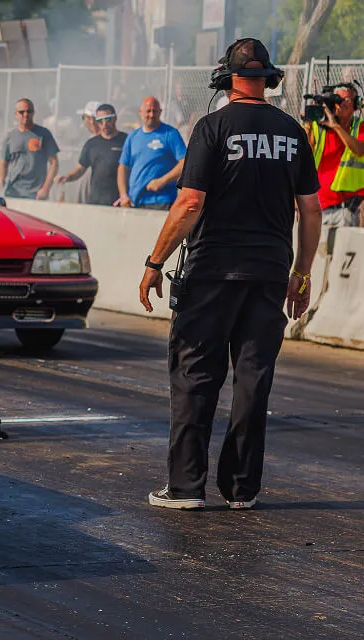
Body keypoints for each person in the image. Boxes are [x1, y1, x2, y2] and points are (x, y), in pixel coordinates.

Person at [138, 38, 322, 511]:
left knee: (196, 377)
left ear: (227, 77)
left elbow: (189, 203)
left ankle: (185, 488)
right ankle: (242, 488)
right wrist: (300, 275)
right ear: (267, 79)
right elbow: (311, 211)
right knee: (253, 379)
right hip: (268, 274)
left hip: (212, 273)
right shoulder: (292, 132)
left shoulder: (212, 127)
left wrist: (155, 262)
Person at [305, 81, 364, 226]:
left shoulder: (360, 126)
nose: (341, 104)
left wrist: (336, 126)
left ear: (356, 105)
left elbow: (359, 150)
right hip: (318, 208)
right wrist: (307, 126)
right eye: (337, 99)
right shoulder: (318, 127)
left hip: (346, 209)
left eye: (346, 100)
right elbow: (301, 154)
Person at [117, 97, 187, 210]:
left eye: (155, 111)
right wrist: (123, 195)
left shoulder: (170, 134)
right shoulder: (132, 136)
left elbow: (185, 162)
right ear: (140, 112)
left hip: (162, 201)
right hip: (134, 201)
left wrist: (162, 181)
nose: (151, 114)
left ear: (160, 112)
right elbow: (123, 167)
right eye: (148, 111)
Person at [55, 104, 127, 206]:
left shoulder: (126, 140)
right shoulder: (91, 144)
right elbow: (80, 168)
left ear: (115, 119)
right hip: (95, 201)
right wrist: (67, 177)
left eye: (108, 119)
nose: (104, 124)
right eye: (100, 121)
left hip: (119, 201)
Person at [0, 98, 59, 200]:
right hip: (13, 192)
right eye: (22, 112)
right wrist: (0, 179)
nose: (26, 114)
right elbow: (3, 162)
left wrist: (46, 188)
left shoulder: (43, 134)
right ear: (16, 114)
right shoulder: (10, 136)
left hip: (36, 194)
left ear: (33, 113)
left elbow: (54, 163)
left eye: (29, 111)